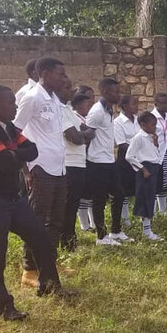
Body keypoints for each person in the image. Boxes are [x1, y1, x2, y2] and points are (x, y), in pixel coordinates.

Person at [0, 85, 76, 320]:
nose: (15, 105)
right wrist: (13, 154)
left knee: (40, 237)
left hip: (12, 198)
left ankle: (49, 285)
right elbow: (9, 162)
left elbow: (32, 150)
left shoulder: (7, 127)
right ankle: (1, 304)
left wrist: (11, 154)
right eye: (10, 102)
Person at [13, 57, 70, 288]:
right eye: (60, 74)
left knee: (55, 221)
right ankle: (30, 269)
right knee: (35, 221)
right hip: (40, 168)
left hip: (59, 168)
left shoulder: (55, 99)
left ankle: (49, 263)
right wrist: (25, 169)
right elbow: (15, 132)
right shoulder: (32, 97)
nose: (63, 78)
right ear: (44, 73)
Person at [86, 78, 130, 246]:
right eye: (115, 91)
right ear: (104, 92)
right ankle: (101, 236)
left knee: (119, 194)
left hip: (109, 160)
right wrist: (87, 161)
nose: (118, 95)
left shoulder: (109, 110)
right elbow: (88, 136)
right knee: (99, 199)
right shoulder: (97, 111)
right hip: (97, 162)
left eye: (119, 91)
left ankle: (116, 231)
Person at [59, 86, 95, 253]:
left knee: (72, 205)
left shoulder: (68, 111)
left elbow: (83, 133)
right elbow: (76, 138)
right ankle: (67, 242)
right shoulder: (62, 111)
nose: (72, 89)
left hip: (79, 163)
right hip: (70, 164)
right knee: (67, 206)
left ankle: (69, 239)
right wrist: (85, 134)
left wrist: (84, 134)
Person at [126, 111, 163, 241]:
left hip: (153, 168)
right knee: (145, 200)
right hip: (146, 170)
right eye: (152, 125)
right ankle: (147, 232)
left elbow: (153, 153)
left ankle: (147, 228)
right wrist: (143, 169)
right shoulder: (138, 138)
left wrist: (156, 143)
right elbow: (129, 156)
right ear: (143, 125)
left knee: (151, 198)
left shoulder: (150, 137)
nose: (154, 127)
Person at [114, 95, 140, 228]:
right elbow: (121, 143)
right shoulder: (118, 122)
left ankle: (141, 214)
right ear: (124, 106)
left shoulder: (138, 120)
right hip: (125, 158)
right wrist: (137, 149)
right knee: (124, 189)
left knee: (139, 186)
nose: (136, 106)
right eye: (133, 104)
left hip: (139, 157)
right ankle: (125, 217)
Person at [72, 91, 95, 232]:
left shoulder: (86, 119)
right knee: (83, 193)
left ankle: (93, 223)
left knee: (91, 192)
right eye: (88, 104)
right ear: (79, 106)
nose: (90, 107)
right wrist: (87, 132)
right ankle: (84, 224)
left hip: (90, 158)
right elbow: (85, 135)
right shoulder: (76, 118)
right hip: (80, 158)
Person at [151, 93, 167, 215]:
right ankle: (152, 211)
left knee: (164, 181)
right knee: (155, 181)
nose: (166, 105)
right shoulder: (152, 117)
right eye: (163, 103)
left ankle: (163, 210)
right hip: (155, 152)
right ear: (156, 104)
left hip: (166, 151)